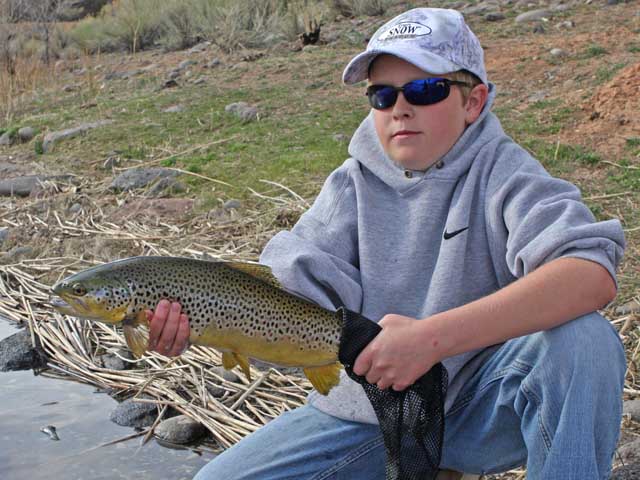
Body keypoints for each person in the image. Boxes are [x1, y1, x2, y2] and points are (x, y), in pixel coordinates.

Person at [146, 7, 626, 479]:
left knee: (585, 341)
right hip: (368, 416)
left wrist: (429, 340)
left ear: (474, 102)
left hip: (479, 407)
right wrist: (206, 327)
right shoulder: (351, 184)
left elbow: (590, 275)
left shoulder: (505, 171)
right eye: (382, 94)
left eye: (426, 89)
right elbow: (291, 299)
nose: (401, 107)